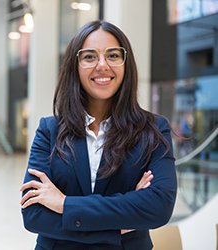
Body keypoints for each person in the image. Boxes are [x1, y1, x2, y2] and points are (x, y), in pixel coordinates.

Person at [20, 20, 177, 250]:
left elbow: (159, 206)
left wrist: (65, 204)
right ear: (75, 66)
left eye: (113, 55)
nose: (102, 65)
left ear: (126, 64)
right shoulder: (49, 130)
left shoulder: (152, 130)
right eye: (89, 57)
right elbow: (34, 215)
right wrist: (121, 222)